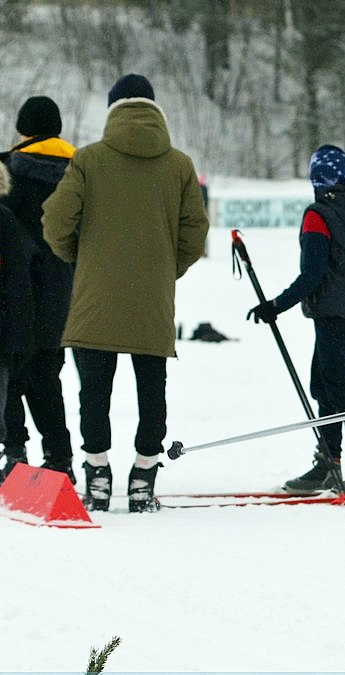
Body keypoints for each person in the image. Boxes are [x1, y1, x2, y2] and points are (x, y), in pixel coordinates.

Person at [42, 74, 209, 512]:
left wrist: (79, 260)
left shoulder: (89, 160)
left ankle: (97, 477)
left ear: (113, 109)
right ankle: (143, 478)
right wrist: (164, 270)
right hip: (152, 301)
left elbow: (56, 222)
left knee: (93, 392)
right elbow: (195, 233)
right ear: (154, 109)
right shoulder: (179, 165)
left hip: (95, 298)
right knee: (151, 389)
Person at [248, 144, 345, 494]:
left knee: (337, 387)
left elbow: (312, 274)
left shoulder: (319, 215)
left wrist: (275, 305)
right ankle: (330, 461)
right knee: (326, 385)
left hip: (330, 312)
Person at [0, 96, 77, 483]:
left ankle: (16, 455)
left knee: (10, 376)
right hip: (61, 293)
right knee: (48, 376)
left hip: (13, 292)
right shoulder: (80, 170)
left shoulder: (7, 168)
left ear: (22, 128)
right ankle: (60, 457)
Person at [0, 161, 35, 468]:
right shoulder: (7, 220)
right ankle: (14, 455)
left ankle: (14, 456)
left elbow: (16, 282)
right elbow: (18, 283)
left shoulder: (6, 221)